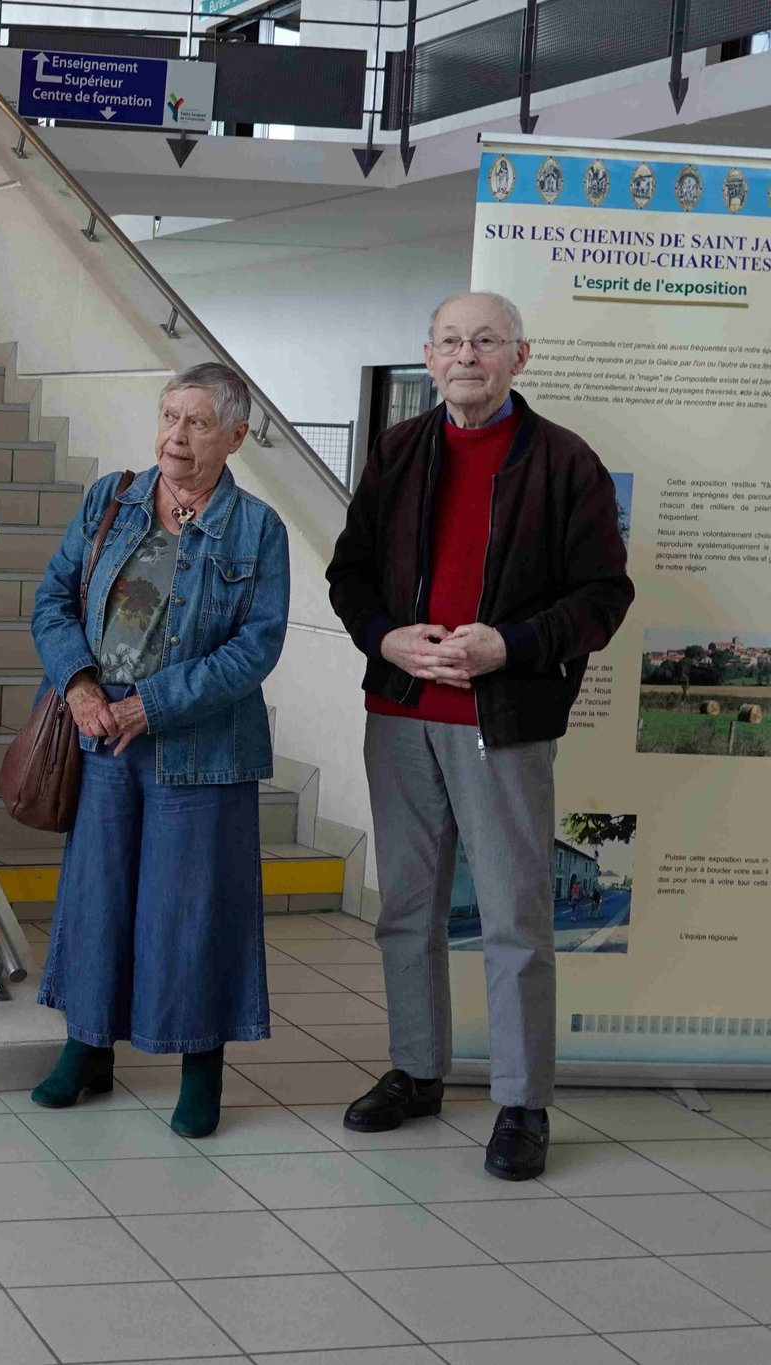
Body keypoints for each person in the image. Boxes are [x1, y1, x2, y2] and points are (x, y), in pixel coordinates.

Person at [327, 290, 632, 1180]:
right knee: (407, 913)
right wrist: (384, 636)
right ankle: (419, 1070)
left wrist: (514, 644)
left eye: (487, 340)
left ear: (519, 358)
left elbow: (604, 598)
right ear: (429, 357)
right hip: (401, 716)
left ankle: (522, 1102)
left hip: (503, 724)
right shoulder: (397, 451)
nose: (468, 354)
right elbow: (351, 574)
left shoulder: (565, 463)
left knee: (515, 918)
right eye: (453, 340)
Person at [27, 362, 288, 1139]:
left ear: (236, 435)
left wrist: (158, 704)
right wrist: (78, 684)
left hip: (201, 748)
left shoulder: (257, 529)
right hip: (103, 735)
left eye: (197, 422)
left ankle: (200, 1066)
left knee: (192, 910)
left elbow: (257, 647)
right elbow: (50, 598)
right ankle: (87, 1048)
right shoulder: (112, 497)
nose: (175, 436)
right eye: (169, 416)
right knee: (98, 895)